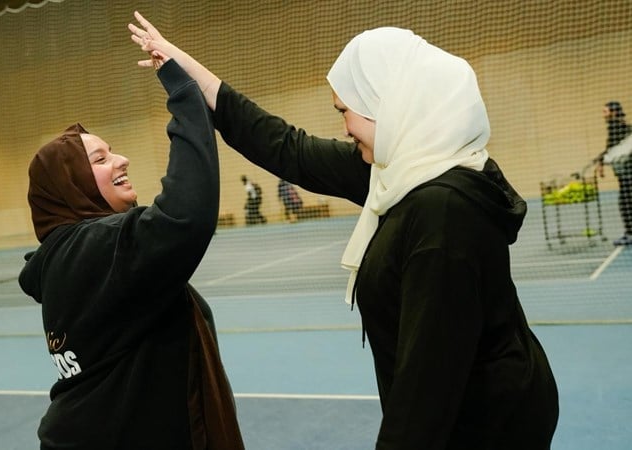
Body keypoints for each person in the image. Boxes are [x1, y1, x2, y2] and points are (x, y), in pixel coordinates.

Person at [130, 11, 558, 449]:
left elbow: (426, 390)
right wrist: (183, 67)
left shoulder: (443, 213)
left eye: (346, 111)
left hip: (485, 426)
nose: (345, 126)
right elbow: (286, 147)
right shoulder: (402, 169)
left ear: (389, 106)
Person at [17, 41, 244, 449]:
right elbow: (184, 217)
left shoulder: (71, 257)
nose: (121, 159)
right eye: (101, 160)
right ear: (73, 187)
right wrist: (185, 96)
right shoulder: (87, 250)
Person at [595, 101, 632, 245]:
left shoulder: (620, 128)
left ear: (614, 112)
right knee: (625, 202)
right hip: (623, 174)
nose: (603, 115)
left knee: (626, 203)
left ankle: (630, 233)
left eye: (605, 112)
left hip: (629, 173)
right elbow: (610, 149)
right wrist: (600, 162)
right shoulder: (614, 128)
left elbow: (618, 150)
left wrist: (602, 161)